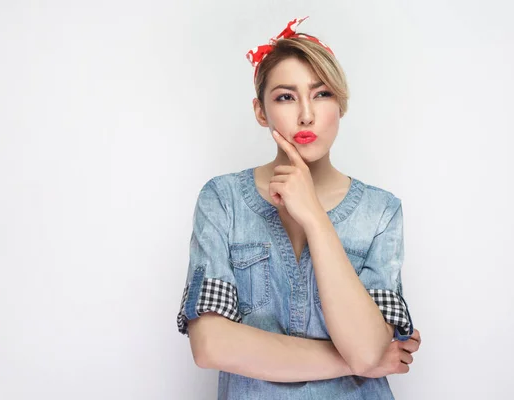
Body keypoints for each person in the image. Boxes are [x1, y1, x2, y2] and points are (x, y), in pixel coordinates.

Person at [176, 16, 422, 400]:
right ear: (261, 111)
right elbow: (210, 346)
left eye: (321, 94)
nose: (306, 114)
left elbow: (370, 347)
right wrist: (357, 361)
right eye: (285, 96)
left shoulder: (381, 211)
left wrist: (313, 215)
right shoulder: (223, 199)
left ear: (340, 104)